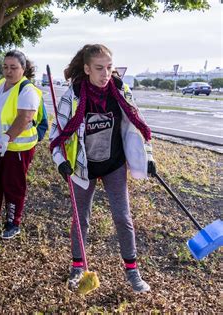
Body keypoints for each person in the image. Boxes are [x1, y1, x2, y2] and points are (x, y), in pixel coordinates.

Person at [49, 44, 156, 293]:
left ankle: (132, 271)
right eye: (99, 68)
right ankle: (78, 267)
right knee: (81, 218)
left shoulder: (120, 90)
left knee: (122, 217)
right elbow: (57, 135)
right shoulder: (73, 95)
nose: (105, 73)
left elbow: (141, 126)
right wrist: (59, 161)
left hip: (113, 164)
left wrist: (148, 157)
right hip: (82, 167)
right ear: (86, 69)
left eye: (109, 67)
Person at [0, 50, 42, 239]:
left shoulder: (27, 90)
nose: (8, 71)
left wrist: (7, 138)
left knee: (13, 186)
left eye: (14, 67)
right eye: (5, 67)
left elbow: (24, 118)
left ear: (23, 69)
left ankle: (13, 223)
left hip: (16, 148)